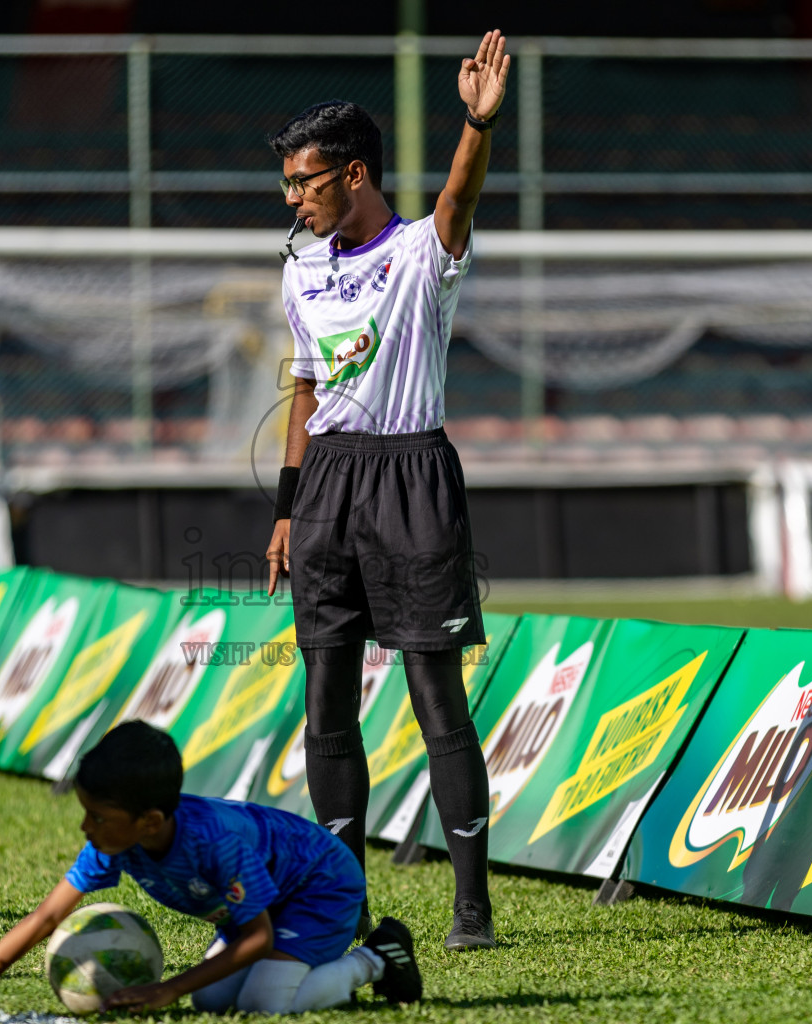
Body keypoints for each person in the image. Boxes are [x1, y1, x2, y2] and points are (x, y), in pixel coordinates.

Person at [262, 30, 511, 950]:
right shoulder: (298, 269)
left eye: (307, 182)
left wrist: (476, 125)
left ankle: (472, 907)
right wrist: (287, 507)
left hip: (412, 476)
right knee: (325, 695)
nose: (294, 199)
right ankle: (344, 903)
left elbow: (460, 195)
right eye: (288, 184)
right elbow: (305, 392)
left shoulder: (421, 254)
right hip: (327, 485)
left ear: (355, 173)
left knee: (433, 694)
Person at [0, 721, 421, 1016]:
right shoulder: (115, 841)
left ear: (150, 820)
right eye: (86, 812)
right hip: (265, 899)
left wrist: (167, 988)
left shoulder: (213, 843)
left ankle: (378, 956)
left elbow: (257, 937)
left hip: (319, 885)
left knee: (264, 1002)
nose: (86, 827)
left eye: (98, 816)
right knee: (212, 1001)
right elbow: (46, 917)